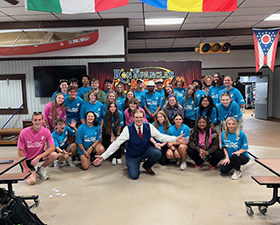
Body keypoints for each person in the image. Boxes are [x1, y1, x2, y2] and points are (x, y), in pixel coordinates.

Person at [93, 109, 188, 180]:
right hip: (133, 155)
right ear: (133, 118)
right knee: (134, 176)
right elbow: (116, 144)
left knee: (157, 153)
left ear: (143, 118)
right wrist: (103, 156)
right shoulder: (127, 129)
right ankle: (132, 164)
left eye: (140, 117)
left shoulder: (149, 126)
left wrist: (175, 138)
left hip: (145, 151)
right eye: (136, 117)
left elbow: (161, 137)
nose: (138, 119)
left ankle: (147, 166)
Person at [17, 112, 57, 185]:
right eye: (35, 120)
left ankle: (41, 169)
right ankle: (31, 171)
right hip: (27, 159)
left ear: (42, 121)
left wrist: (38, 157)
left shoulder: (46, 131)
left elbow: (52, 147)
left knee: (54, 155)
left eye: (39, 120)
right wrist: (25, 167)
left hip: (39, 155)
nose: (37, 122)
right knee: (32, 181)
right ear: (32, 121)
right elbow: (20, 152)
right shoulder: (24, 132)